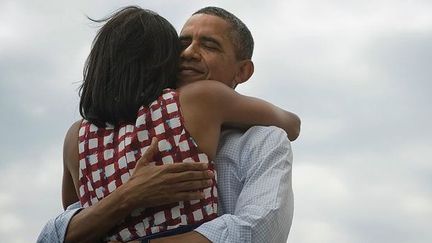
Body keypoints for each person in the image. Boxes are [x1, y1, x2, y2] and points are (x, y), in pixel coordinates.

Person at [38, 6, 299, 243]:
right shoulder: (197, 103)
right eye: (181, 44)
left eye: (209, 45)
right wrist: (130, 194)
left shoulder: (79, 136)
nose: (187, 53)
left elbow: (256, 231)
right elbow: (71, 221)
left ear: (242, 71)